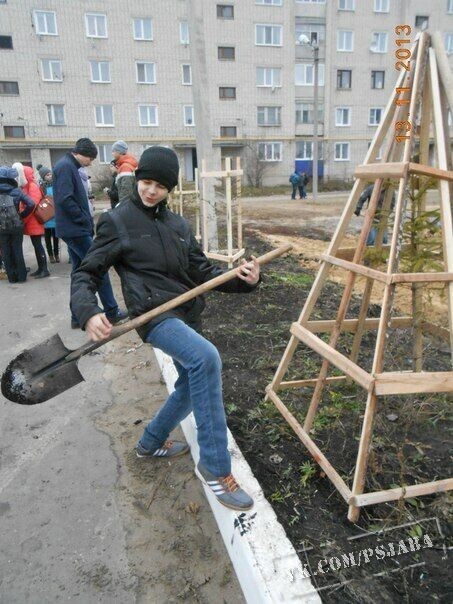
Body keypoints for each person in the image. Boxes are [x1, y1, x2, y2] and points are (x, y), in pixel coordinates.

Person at [71, 146, 261, 511]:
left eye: (160, 184)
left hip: (187, 311)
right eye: (146, 181)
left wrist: (243, 280)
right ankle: (216, 467)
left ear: (170, 187)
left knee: (193, 382)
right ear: (137, 178)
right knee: (206, 359)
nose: (150, 190)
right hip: (154, 315)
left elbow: (202, 273)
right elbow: (86, 272)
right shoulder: (118, 221)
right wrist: (87, 311)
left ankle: (151, 441)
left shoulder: (178, 226)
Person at [53, 137, 127, 329]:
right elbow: (64, 199)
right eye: (90, 159)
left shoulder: (69, 166)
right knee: (98, 268)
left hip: (74, 229)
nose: (91, 163)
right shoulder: (65, 167)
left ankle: (77, 316)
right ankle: (112, 311)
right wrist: (84, 219)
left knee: (79, 272)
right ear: (81, 154)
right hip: (75, 230)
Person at [13, 162, 50, 278]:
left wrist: (22, 218)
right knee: (36, 245)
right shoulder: (28, 185)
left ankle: (44, 269)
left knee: (38, 245)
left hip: (34, 221)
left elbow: (32, 205)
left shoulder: (32, 186)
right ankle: (41, 268)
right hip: (32, 222)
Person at [0, 166, 35, 283]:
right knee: (17, 249)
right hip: (16, 225)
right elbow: (31, 203)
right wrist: (22, 215)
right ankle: (21, 276)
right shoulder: (16, 191)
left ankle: (11, 278)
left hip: (1, 227)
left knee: (5, 250)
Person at [38, 166, 60, 263]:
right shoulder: (42, 187)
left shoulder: (56, 184)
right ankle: (50, 255)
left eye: (50, 174)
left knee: (56, 236)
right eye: (47, 175)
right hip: (46, 215)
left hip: (55, 213)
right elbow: (39, 200)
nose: (50, 176)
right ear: (43, 177)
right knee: (47, 236)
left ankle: (56, 254)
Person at [111, 140, 138, 204]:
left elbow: (126, 191)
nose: (112, 153)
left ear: (119, 152)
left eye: (113, 151)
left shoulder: (125, 167)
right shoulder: (125, 165)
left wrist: (122, 207)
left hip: (127, 205)